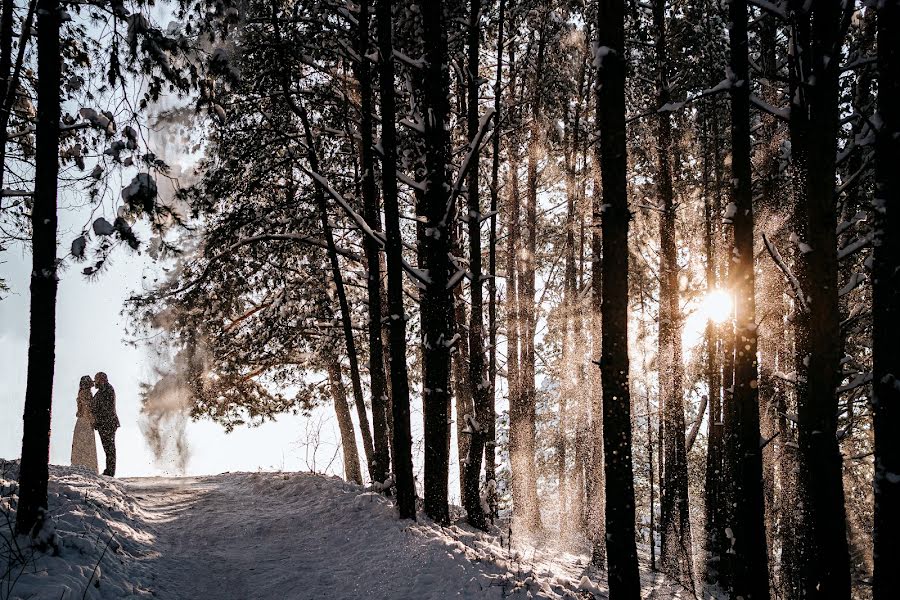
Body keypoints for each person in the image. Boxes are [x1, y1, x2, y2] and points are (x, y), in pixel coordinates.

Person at [91, 372, 120, 476]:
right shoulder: (103, 390)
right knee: (108, 448)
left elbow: (104, 407)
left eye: (96, 379)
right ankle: (109, 470)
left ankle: (110, 472)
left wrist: (96, 416)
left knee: (109, 448)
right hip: (105, 423)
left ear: (101, 379)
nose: (95, 382)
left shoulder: (107, 389)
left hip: (107, 423)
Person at [70, 375, 98, 472]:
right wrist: (93, 420)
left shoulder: (82, 392)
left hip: (81, 420)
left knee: (82, 443)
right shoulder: (86, 393)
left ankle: (81, 464)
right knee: (86, 442)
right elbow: (88, 408)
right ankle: (87, 467)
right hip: (86, 420)